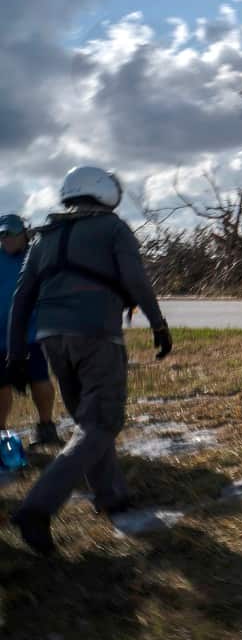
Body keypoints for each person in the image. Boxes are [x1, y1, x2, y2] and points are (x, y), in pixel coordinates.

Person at [5, 166, 172, 555]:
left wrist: (16, 353)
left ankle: (111, 497)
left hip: (51, 339)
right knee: (103, 421)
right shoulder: (112, 228)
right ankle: (37, 507)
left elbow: (21, 298)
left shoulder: (42, 240)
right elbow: (135, 279)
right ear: (104, 192)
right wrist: (158, 324)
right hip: (96, 334)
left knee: (87, 421)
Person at [0, 214, 62, 446]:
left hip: (30, 332)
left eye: (10, 233)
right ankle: (2, 435)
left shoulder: (37, 255)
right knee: (1, 384)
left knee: (39, 377)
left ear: (23, 233)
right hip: (0, 336)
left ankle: (46, 428)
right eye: (1, 234)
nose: (5, 239)